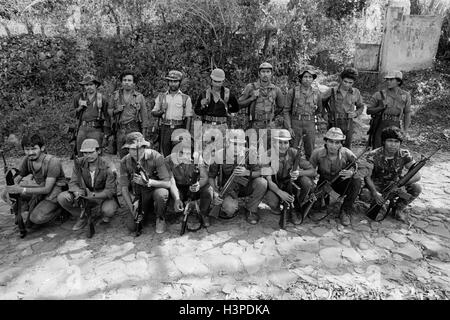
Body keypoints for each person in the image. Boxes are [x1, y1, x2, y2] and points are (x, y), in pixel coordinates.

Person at [1, 133, 66, 227]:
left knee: (36, 218)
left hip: (53, 192)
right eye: (27, 149)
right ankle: (22, 210)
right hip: (39, 189)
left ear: (42, 148)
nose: (30, 152)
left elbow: (47, 189)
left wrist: (22, 190)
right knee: (5, 193)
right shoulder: (27, 160)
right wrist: (10, 181)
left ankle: (60, 210)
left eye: (34, 148)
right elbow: (18, 178)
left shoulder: (52, 162)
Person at [360, 126, 421, 222]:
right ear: (384, 141)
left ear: (400, 143)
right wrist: (375, 193)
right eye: (390, 141)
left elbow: (417, 175)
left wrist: (403, 184)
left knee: (416, 188)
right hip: (377, 185)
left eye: (396, 142)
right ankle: (379, 205)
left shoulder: (404, 154)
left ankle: (398, 208)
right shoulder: (373, 155)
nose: (393, 144)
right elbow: (367, 177)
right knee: (365, 194)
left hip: (396, 184)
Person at [309, 128, 367, 226]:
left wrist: (351, 172)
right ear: (326, 141)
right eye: (331, 142)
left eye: (337, 142)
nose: (333, 145)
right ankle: (323, 201)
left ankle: (345, 210)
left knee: (357, 181)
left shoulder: (346, 153)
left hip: (341, 183)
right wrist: (312, 188)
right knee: (315, 206)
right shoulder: (317, 153)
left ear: (341, 144)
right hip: (324, 183)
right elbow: (310, 171)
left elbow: (361, 167)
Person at [208, 130, 268, 225]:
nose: (237, 147)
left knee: (262, 183)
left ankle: (251, 209)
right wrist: (215, 193)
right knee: (229, 210)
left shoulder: (249, 153)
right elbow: (211, 176)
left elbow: (259, 172)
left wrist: (247, 172)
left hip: (246, 186)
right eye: (234, 144)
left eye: (241, 144)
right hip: (228, 190)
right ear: (228, 142)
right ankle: (227, 205)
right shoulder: (219, 155)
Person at [57, 139, 118, 231]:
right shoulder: (78, 163)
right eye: (85, 153)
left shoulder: (108, 165)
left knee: (109, 210)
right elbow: (73, 182)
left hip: (101, 195)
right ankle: (84, 216)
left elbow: (110, 191)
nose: (88, 156)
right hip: (84, 193)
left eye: (91, 152)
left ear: (98, 151)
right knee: (62, 197)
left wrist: (93, 195)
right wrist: (77, 191)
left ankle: (100, 214)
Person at [119, 132, 171, 234]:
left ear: (144, 147)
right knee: (132, 226)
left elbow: (167, 183)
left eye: (139, 148)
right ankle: (146, 211)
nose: (136, 152)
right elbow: (124, 188)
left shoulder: (156, 157)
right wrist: (131, 207)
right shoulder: (124, 162)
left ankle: (160, 218)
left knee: (161, 194)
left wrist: (148, 182)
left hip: (155, 189)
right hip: (140, 195)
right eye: (133, 149)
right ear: (128, 149)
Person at [263, 129, 315, 225]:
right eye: (280, 142)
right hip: (275, 186)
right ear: (274, 143)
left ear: (289, 143)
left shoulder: (294, 153)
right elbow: (269, 181)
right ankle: (280, 206)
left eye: (285, 142)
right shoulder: (268, 155)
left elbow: (312, 171)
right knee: (272, 201)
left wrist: (299, 173)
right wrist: (280, 192)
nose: (283, 146)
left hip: (291, 185)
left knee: (306, 182)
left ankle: (295, 207)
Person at [165, 139, 213, 227]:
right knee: (171, 203)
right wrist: (177, 199)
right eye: (181, 153)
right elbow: (171, 182)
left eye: (187, 153)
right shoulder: (168, 160)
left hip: (194, 186)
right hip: (178, 187)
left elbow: (204, 177)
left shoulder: (197, 157)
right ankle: (181, 210)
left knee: (208, 190)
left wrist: (198, 184)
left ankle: (204, 213)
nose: (184, 156)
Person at [284, 67, 325, 160]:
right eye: (305, 76)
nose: (308, 79)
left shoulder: (316, 93)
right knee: (293, 149)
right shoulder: (293, 92)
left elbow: (319, 110)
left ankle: (309, 170)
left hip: (309, 123)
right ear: (301, 78)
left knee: (310, 149)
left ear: (313, 79)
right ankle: (291, 170)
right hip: (296, 122)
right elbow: (286, 111)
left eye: (310, 77)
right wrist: (289, 127)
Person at [151, 70, 193, 156]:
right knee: (165, 154)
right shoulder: (161, 97)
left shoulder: (185, 98)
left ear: (179, 82)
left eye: (175, 81)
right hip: (165, 128)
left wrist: (186, 133)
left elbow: (189, 117)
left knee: (178, 154)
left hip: (179, 127)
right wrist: (162, 111)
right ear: (168, 82)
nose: (173, 84)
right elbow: (153, 113)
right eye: (171, 81)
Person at [194, 68, 240, 147]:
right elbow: (197, 111)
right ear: (211, 80)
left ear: (223, 81)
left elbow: (236, 108)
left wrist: (227, 111)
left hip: (222, 126)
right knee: (207, 151)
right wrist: (202, 106)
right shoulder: (204, 94)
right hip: (207, 125)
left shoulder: (228, 94)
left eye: (219, 81)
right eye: (215, 81)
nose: (217, 84)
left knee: (222, 152)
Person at [109, 71, 149, 158]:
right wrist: (116, 110)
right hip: (120, 130)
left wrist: (143, 136)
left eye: (129, 80)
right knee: (123, 158)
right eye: (124, 80)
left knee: (135, 157)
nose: (127, 82)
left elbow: (144, 117)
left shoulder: (139, 97)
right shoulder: (115, 95)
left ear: (134, 83)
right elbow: (109, 111)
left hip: (134, 129)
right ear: (121, 82)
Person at [367, 70, 411, 149]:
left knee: (393, 148)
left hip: (396, 124)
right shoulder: (379, 94)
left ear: (398, 81)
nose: (388, 82)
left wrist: (405, 130)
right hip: (381, 123)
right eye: (387, 80)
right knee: (378, 148)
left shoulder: (405, 96)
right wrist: (379, 108)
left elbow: (407, 113)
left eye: (391, 80)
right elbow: (368, 110)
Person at [322, 67, 364, 149]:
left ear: (353, 82)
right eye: (345, 81)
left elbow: (361, 106)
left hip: (348, 123)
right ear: (341, 80)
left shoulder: (356, 92)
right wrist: (324, 114)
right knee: (332, 145)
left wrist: (355, 113)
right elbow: (321, 102)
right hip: (334, 122)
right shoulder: (332, 91)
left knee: (346, 146)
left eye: (350, 83)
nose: (347, 84)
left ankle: (345, 161)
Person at [238, 62, 284, 131]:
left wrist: (272, 115)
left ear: (271, 74)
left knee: (270, 141)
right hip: (254, 124)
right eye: (263, 72)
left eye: (268, 72)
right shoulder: (251, 87)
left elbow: (281, 106)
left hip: (270, 125)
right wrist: (251, 98)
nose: (265, 74)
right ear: (259, 74)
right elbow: (239, 103)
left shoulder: (276, 89)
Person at [73, 74, 110, 155]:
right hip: (82, 129)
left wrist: (106, 135)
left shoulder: (102, 99)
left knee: (95, 155)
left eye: (91, 84)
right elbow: (73, 114)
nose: (89, 87)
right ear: (84, 86)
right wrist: (79, 108)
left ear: (96, 85)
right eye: (86, 85)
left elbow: (107, 117)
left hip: (96, 130)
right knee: (81, 154)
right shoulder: (78, 98)